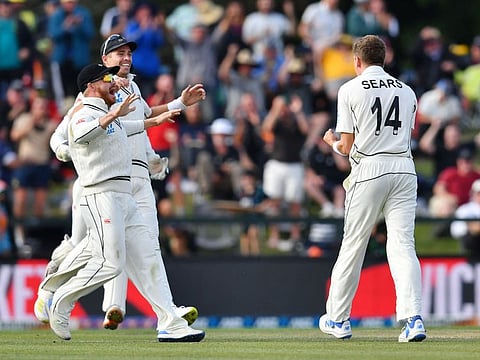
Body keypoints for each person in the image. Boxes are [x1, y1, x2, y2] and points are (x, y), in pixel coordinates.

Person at [35, 35, 206, 337]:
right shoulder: (91, 96)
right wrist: (69, 151)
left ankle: (167, 319)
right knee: (93, 251)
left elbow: (139, 120)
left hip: (133, 180)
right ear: (103, 63)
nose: (125, 58)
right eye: (118, 54)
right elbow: (65, 136)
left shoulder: (130, 90)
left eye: (128, 53)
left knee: (146, 247)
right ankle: (54, 291)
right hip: (99, 185)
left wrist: (175, 107)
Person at [321, 35, 427, 342]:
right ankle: (413, 319)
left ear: (357, 61)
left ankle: (339, 319)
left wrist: (331, 143)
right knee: (403, 245)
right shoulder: (407, 92)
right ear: (385, 58)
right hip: (405, 168)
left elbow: (347, 145)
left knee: (353, 244)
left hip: (370, 169)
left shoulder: (349, 88)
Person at [450, 179, 480, 257]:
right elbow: (456, 230)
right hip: (472, 242)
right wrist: (471, 227)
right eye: (479, 193)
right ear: (473, 194)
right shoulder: (464, 209)